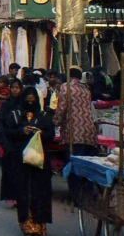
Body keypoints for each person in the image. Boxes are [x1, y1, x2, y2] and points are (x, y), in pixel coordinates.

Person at [8, 88, 55, 236]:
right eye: (27, 99)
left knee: (40, 191)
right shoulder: (16, 116)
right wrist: (22, 131)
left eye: (32, 99)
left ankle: (40, 223)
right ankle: (26, 222)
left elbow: (51, 135)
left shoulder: (44, 117)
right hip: (21, 160)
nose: (30, 102)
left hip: (40, 161)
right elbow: (8, 133)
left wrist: (40, 133)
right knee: (24, 191)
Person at [54, 67, 96, 201]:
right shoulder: (86, 90)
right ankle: (87, 194)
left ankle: (76, 196)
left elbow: (61, 109)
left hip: (74, 131)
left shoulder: (66, 88)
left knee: (73, 165)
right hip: (88, 132)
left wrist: (54, 122)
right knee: (86, 164)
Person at [0, 78, 24, 205]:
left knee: (20, 172)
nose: (15, 90)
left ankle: (20, 197)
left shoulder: (24, 104)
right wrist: (3, 141)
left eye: (18, 87)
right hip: (8, 141)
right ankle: (10, 196)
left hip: (21, 142)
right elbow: (1, 124)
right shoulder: (6, 104)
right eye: (13, 87)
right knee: (8, 170)